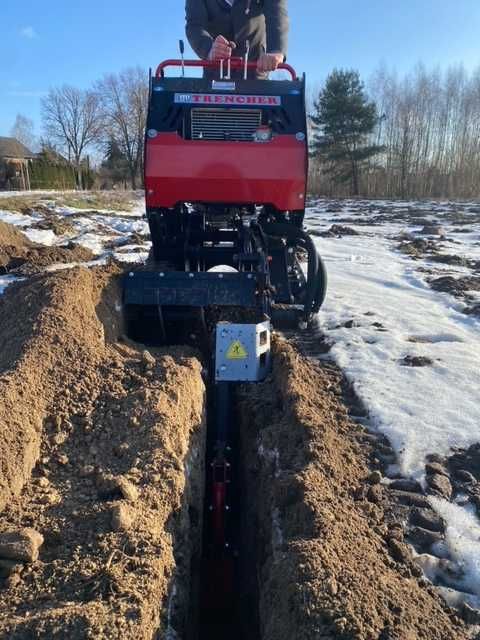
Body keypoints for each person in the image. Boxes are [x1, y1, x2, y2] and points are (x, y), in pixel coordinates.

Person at [185, 0, 289, 77]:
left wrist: (276, 50)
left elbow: (276, 14)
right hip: (215, 75)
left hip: (254, 72)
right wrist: (209, 49)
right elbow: (195, 25)